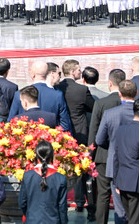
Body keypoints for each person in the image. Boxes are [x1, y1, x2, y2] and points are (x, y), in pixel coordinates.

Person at [95, 79, 139, 224]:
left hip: (116, 162)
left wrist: (113, 146)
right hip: (137, 163)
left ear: (119, 94)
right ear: (136, 93)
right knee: (138, 205)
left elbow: (99, 139)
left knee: (120, 208)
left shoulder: (110, 114)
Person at [56, 59, 95, 220]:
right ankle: (90, 208)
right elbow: (93, 107)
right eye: (79, 70)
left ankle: (66, 204)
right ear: (73, 72)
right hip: (80, 134)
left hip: (61, 136)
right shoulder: (81, 89)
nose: (81, 72)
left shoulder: (57, 88)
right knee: (85, 172)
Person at [88, 69, 126, 224]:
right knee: (123, 192)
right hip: (125, 155)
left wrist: (90, 154)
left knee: (103, 194)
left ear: (110, 83)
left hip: (103, 154)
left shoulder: (101, 103)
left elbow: (94, 131)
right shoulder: (130, 104)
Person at [8, 61, 72, 132]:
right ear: (47, 74)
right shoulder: (57, 94)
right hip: (50, 139)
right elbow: (65, 124)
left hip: (26, 138)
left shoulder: (19, 94)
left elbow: (11, 122)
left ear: (33, 75)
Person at [19, 139, 69, 224]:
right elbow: (62, 207)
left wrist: (30, 215)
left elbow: (22, 203)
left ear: (36, 156)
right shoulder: (60, 178)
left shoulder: (28, 176)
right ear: (52, 156)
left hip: (32, 220)